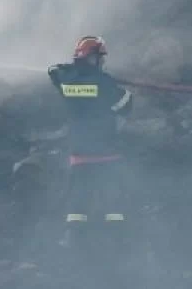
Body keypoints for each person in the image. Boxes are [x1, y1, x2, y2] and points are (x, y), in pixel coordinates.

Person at [47, 36, 134, 254]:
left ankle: (73, 237)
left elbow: (55, 74)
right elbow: (124, 106)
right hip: (107, 150)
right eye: (98, 58)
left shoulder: (67, 82)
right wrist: (125, 92)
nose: (101, 62)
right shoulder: (103, 83)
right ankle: (118, 239)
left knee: (78, 198)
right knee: (113, 197)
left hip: (80, 152)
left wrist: (64, 70)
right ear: (90, 58)